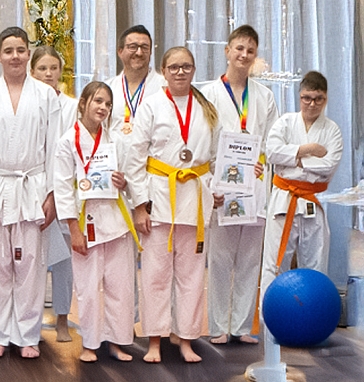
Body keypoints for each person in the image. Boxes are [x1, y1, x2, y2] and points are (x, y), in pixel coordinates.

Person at [0, 26, 63, 359]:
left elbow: (56, 149)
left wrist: (52, 195)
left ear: (28, 53)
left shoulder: (46, 96)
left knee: (31, 263)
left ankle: (27, 334)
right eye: (9, 51)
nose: (15, 56)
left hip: (33, 186)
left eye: (20, 50)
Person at [127, 47, 222, 364]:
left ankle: (186, 339)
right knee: (155, 274)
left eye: (186, 67)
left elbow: (217, 156)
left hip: (195, 199)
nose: (180, 72)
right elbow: (135, 158)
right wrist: (139, 206)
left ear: (194, 70)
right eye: (174, 67)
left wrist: (218, 188)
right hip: (159, 198)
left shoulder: (206, 108)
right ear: (164, 71)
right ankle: (154, 339)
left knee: (192, 276)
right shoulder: (151, 106)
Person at [198, 25, 279, 344]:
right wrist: (210, 182)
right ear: (227, 51)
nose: (244, 55)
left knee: (249, 258)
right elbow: (202, 141)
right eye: (239, 49)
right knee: (219, 258)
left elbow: (271, 140)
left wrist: (263, 159)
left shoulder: (264, 96)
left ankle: (243, 327)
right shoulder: (208, 93)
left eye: (250, 50)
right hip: (222, 183)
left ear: (255, 55)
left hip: (254, 183)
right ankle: (218, 326)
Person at [52, 82, 139, 363]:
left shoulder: (116, 141)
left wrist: (124, 182)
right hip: (85, 221)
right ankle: (89, 344)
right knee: (88, 288)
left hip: (116, 221)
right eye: (98, 101)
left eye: (108, 104)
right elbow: (62, 187)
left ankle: (117, 342)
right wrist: (73, 229)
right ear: (83, 104)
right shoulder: (67, 141)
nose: (103, 107)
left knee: (120, 286)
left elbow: (130, 177)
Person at [260, 71, 343, 294]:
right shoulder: (285, 123)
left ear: (326, 99)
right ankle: (269, 316)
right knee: (274, 264)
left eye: (318, 99)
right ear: (299, 97)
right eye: (307, 98)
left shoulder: (332, 130)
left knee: (316, 263)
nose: (312, 104)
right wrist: (309, 149)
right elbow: (272, 153)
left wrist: (294, 161)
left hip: (313, 199)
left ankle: (312, 315)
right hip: (284, 198)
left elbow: (329, 165)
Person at [30, 45, 77, 343]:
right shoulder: (26, 103)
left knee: (64, 263)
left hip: (64, 191)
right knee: (30, 262)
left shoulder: (72, 107)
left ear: (61, 71)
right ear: (32, 71)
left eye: (53, 68)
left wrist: (60, 195)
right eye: (42, 69)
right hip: (33, 191)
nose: (48, 74)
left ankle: (62, 319)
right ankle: (30, 321)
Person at [106, 25, 166, 141]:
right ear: (120, 51)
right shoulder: (108, 88)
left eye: (144, 47)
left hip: (153, 152)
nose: (139, 52)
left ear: (150, 52)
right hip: (116, 152)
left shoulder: (165, 87)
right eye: (132, 47)